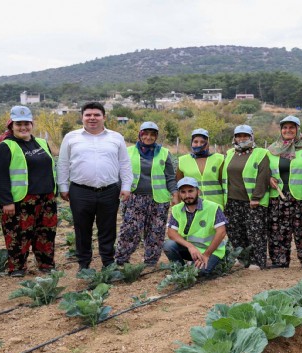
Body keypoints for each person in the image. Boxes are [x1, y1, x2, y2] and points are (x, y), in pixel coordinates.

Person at [57, 102, 133, 270]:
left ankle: (108, 262)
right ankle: (84, 264)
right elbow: (62, 164)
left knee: (108, 228)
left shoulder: (116, 137)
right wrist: (63, 186)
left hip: (109, 190)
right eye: (88, 115)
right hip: (80, 191)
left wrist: (126, 185)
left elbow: (125, 164)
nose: (92, 118)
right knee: (82, 229)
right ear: (82, 117)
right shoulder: (71, 137)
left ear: (104, 117)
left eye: (96, 115)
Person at [0, 106, 58, 277]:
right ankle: (18, 267)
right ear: (11, 125)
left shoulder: (41, 143)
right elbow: (0, 177)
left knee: (46, 233)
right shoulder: (5, 147)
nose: (23, 127)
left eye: (26, 123)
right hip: (20, 200)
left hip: (46, 198)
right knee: (18, 235)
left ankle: (46, 264)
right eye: (18, 124)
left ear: (32, 124)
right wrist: (6, 201)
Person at [115, 122, 177, 267]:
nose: (149, 137)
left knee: (156, 231)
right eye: (145, 134)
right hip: (134, 198)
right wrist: (118, 190)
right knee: (130, 230)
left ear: (156, 136)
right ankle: (121, 260)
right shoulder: (128, 151)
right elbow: (120, 173)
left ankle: (150, 261)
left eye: (152, 134)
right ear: (140, 135)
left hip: (159, 200)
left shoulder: (164, 153)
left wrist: (174, 193)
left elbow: (170, 177)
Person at [267, 115, 302, 271]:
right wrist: (268, 178)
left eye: (292, 127)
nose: (288, 130)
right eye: (285, 127)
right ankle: (280, 260)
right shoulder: (272, 149)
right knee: (278, 230)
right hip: (279, 196)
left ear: (298, 129)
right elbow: (265, 170)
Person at [222, 125, 271, 270]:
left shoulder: (261, 153)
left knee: (255, 232)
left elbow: (263, 176)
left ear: (251, 137)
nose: (242, 139)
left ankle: (257, 260)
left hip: (252, 200)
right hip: (232, 200)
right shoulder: (230, 153)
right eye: (239, 136)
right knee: (235, 231)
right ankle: (242, 258)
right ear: (235, 138)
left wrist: (256, 197)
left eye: (245, 136)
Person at [163, 177, 227, 275]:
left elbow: (221, 232)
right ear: (179, 194)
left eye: (190, 191)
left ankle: (199, 264)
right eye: (183, 192)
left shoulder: (213, 207)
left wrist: (206, 255)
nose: (187, 195)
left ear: (198, 191)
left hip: (210, 250)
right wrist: (190, 246)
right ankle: (180, 269)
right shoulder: (176, 209)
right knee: (168, 245)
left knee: (200, 272)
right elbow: (171, 233)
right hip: (191, 250)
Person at [175, 128, 225, 208]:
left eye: (202, 142)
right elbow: (178, 187)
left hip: (216, 205)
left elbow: (225, 185)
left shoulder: (219, 159)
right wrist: (178, 207)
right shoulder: (183, 161)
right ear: (191, 143)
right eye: (195, 142)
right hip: (193, 207)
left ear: (207, 143)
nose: (198, 145)